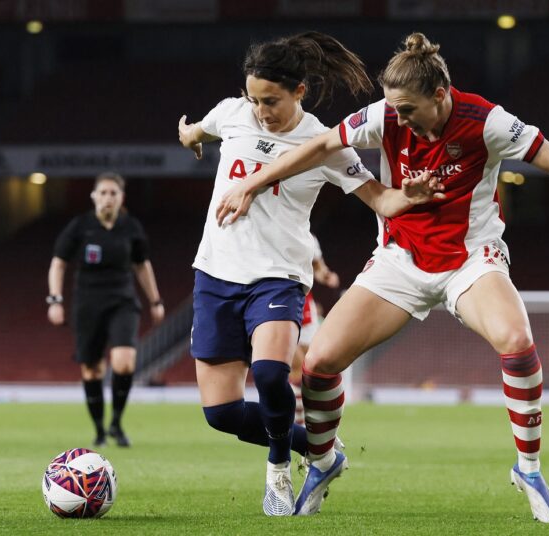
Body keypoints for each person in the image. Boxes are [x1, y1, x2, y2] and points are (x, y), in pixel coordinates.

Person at [215, 32, 549, 521]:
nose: (397, 118)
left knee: (515, 339)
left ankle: (529, 469)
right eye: (393, 108)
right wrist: (251, 186)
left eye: (407, 109)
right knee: (320, 361)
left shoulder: (487, 122)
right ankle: (322, 461)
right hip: (398, 260)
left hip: (470, 259)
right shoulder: (383, 115)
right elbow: (321, 144)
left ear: (440, 97)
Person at [177, 32, 443, 517]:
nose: (260, 110)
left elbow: (381, 200)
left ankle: (279, 469)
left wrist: (412, 195)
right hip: (214, 275)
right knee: (221, 415)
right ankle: (318, 448)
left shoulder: (323, 142)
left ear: (299, 91)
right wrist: (190, 135)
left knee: (272, 373)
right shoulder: (231, 113)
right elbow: (199, 130)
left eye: (271, 101)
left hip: (277, 277)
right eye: (253, 98)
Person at [47, 172, 165, 448]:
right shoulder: (80, 226)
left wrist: (155, 300)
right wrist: (55, 299)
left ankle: (117, 422)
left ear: (121, 198)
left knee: (124, 362)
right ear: (94, 196)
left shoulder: (131, 227)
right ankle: (99, 429)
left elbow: (141, 264)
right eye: (103, 192)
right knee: (92, 369)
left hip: (123, 300)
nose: (108, 198)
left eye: (113, 193)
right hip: (87, 304)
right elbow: (58, 262)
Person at [291, 233, 340, 427]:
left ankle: (311, 424)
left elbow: (318, 267)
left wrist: (327, 276)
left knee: (311, 367)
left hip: (306, 306)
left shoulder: (309, 238)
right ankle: (299, 427)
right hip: (280, 303)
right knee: (295, 367)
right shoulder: (273, 227)